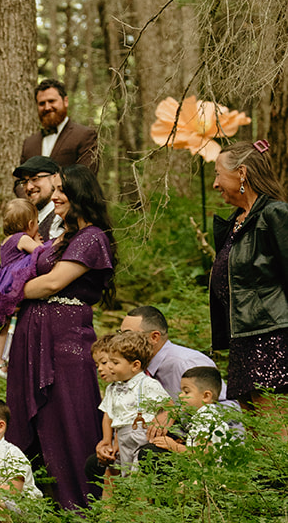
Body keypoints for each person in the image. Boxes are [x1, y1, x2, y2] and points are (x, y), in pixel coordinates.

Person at [5, 165, 116, 509]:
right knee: (28, 411)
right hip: (32, 334)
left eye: (61, 190)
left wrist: (13, 290)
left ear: (80, 193)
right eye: (53, 190)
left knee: (68, 409)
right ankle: (36, 499)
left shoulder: (92, 237)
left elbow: (52, 283)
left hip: (66, 336)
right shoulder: (60, 237)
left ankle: (78, 500)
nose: (54, 197)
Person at [210, 139, 288, 406]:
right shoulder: (236, 222)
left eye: (218, 174)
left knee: (274, 432)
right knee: (254, 436)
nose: (215, 184)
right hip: (242, 340)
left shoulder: (275, 214)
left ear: (241, 173)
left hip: (271, 339)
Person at [94, 330, 170, 477]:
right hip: (121, 437)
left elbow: (169, 406)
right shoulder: (112, 388)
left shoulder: (148, 384)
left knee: (138, 474)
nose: (109, 367)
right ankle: (111, 500)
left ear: (135, 365)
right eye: (108, 361)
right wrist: (106, 440)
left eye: (115, 363)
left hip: (141, 435)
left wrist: (161, 421)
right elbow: (108, 415)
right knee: (114, 472)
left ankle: (139, 499)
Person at [0, 197, 42, 373]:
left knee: (8, 322)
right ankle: (3, 358)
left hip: (3, 285)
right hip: (14, 284)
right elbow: (41, 253)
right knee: (15, 318)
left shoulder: (7, 239)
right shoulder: (22, 238)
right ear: (31, 223)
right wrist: (40, 243)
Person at [143, 365, 245, 458]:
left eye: (186, 392)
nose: (180, 395)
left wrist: (174, 446)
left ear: (206, 396)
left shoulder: (207, 418)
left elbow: (205, 454)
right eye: (181, 391)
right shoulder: (201, 416)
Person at [118, 305, 218, 399]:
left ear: (154, 337)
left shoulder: (186, 363)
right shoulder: (134, 366)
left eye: (128, 334)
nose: (121, 340)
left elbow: (227, 406)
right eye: (120, 333)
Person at [20, 79, 98, 171]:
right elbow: (19, 181)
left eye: (51, 101)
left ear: (66, 101)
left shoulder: (85, 136)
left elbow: (87, 178)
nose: (47, 107)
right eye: (42, 103)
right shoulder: (29, 144)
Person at [12, 157, 63, 241]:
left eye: (35, 179)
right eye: (24, 182)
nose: (29, 187)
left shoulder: (62, 219)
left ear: (54, 178)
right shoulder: (28, 219)